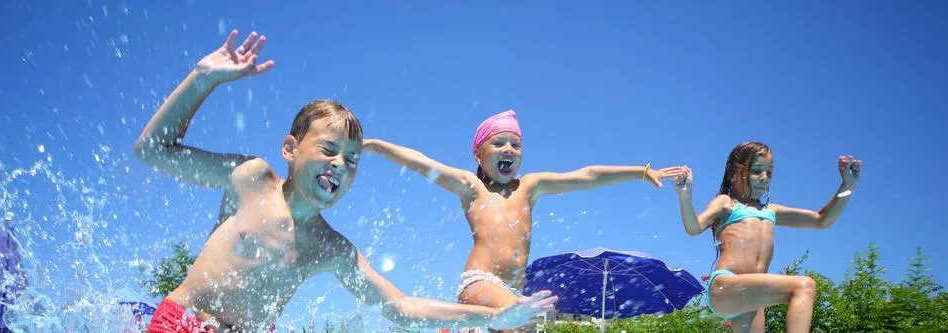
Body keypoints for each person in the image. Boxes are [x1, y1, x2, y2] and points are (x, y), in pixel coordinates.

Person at [134, 30, 556, 333]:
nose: (340, 164)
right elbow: (153, 149)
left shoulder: (333, 249)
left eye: (352, 160)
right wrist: (201, 80)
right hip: (182, 323)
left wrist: (495, 319)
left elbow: (403, 308)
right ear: (290, 148)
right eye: (329, 150)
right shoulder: (251, 180)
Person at [363, 110, 686, 332]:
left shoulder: (529, 187)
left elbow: (586, 175)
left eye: (515, 145)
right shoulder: (471, 188)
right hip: (479, 282)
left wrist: (641, 172)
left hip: (512, 291)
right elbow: (421, 162)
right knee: (536, 315)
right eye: (499, 143)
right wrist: (376, 146)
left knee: (528, 320)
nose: (509, 149)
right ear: (478, 154)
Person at [672, 141, 862, 333]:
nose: (764, 177)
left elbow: (822, 220)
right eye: (756, 170)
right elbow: (694, 228)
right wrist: (685, 197)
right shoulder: (726, 203)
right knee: (804, 286)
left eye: (769, 172)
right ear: (733, 174)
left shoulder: (771, 211)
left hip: (751, 293)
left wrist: (848, 185)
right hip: (727, 286)